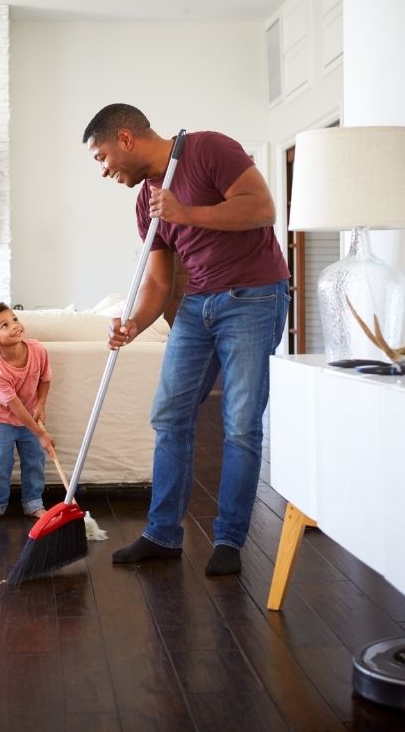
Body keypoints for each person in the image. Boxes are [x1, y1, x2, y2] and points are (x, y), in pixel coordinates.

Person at [82, 104, 290, 575]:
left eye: (101, 156)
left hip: (253, 298)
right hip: (198, 305)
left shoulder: (209, 147)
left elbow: (262, 209)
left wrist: (186, 211)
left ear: (126, 138)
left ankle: (230, 541)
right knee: (169, 415)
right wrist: (133, 323)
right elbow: (158, 282)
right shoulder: (145, 203)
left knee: (240, 423)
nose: (103, 169)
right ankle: (162, 534)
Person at [0, 301, 54, 524]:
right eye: (5, 325)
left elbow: (45, 379)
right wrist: (40, 433)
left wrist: (41, 404)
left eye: (15, 319)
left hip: (30, 418)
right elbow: (15, 406)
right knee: (1, 463)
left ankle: (33, 504)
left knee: (34, 462)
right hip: (2, 420)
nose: (15, 326)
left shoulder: (37, 350)